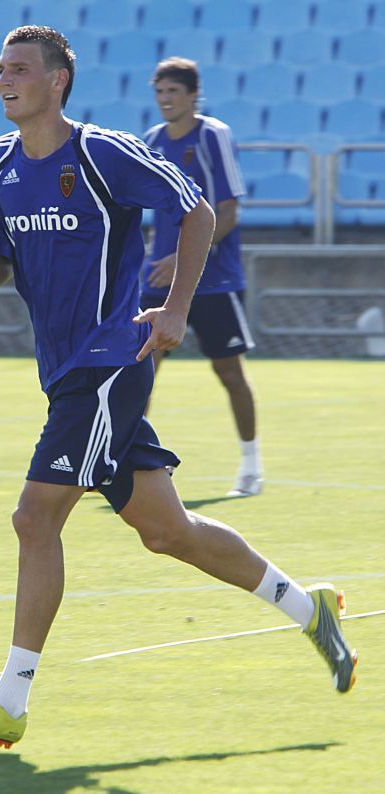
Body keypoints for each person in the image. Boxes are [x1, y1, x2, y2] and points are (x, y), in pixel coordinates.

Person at [0, 26, 356, 749]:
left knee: (35, 518)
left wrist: (179, 307)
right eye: (0, 68)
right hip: (66, 372)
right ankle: (308, 606)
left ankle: (10, 697)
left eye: (20, 69)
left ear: (58, 81)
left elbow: (197, 209)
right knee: (167, 531)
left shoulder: (101, 152)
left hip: (110, 361)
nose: (5, 80)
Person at [140, 57, 263, 498]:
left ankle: (251, 465)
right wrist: (160, 255)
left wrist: (185, 256)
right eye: (160, 92)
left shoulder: (213, 135)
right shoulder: (151, 140)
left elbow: (228, 209)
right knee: (139, 369)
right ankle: (130, 464)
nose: (165, 100)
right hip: (159, 279)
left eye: (173, 91)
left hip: (215, 278)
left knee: (228, 371)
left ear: (193, 95)